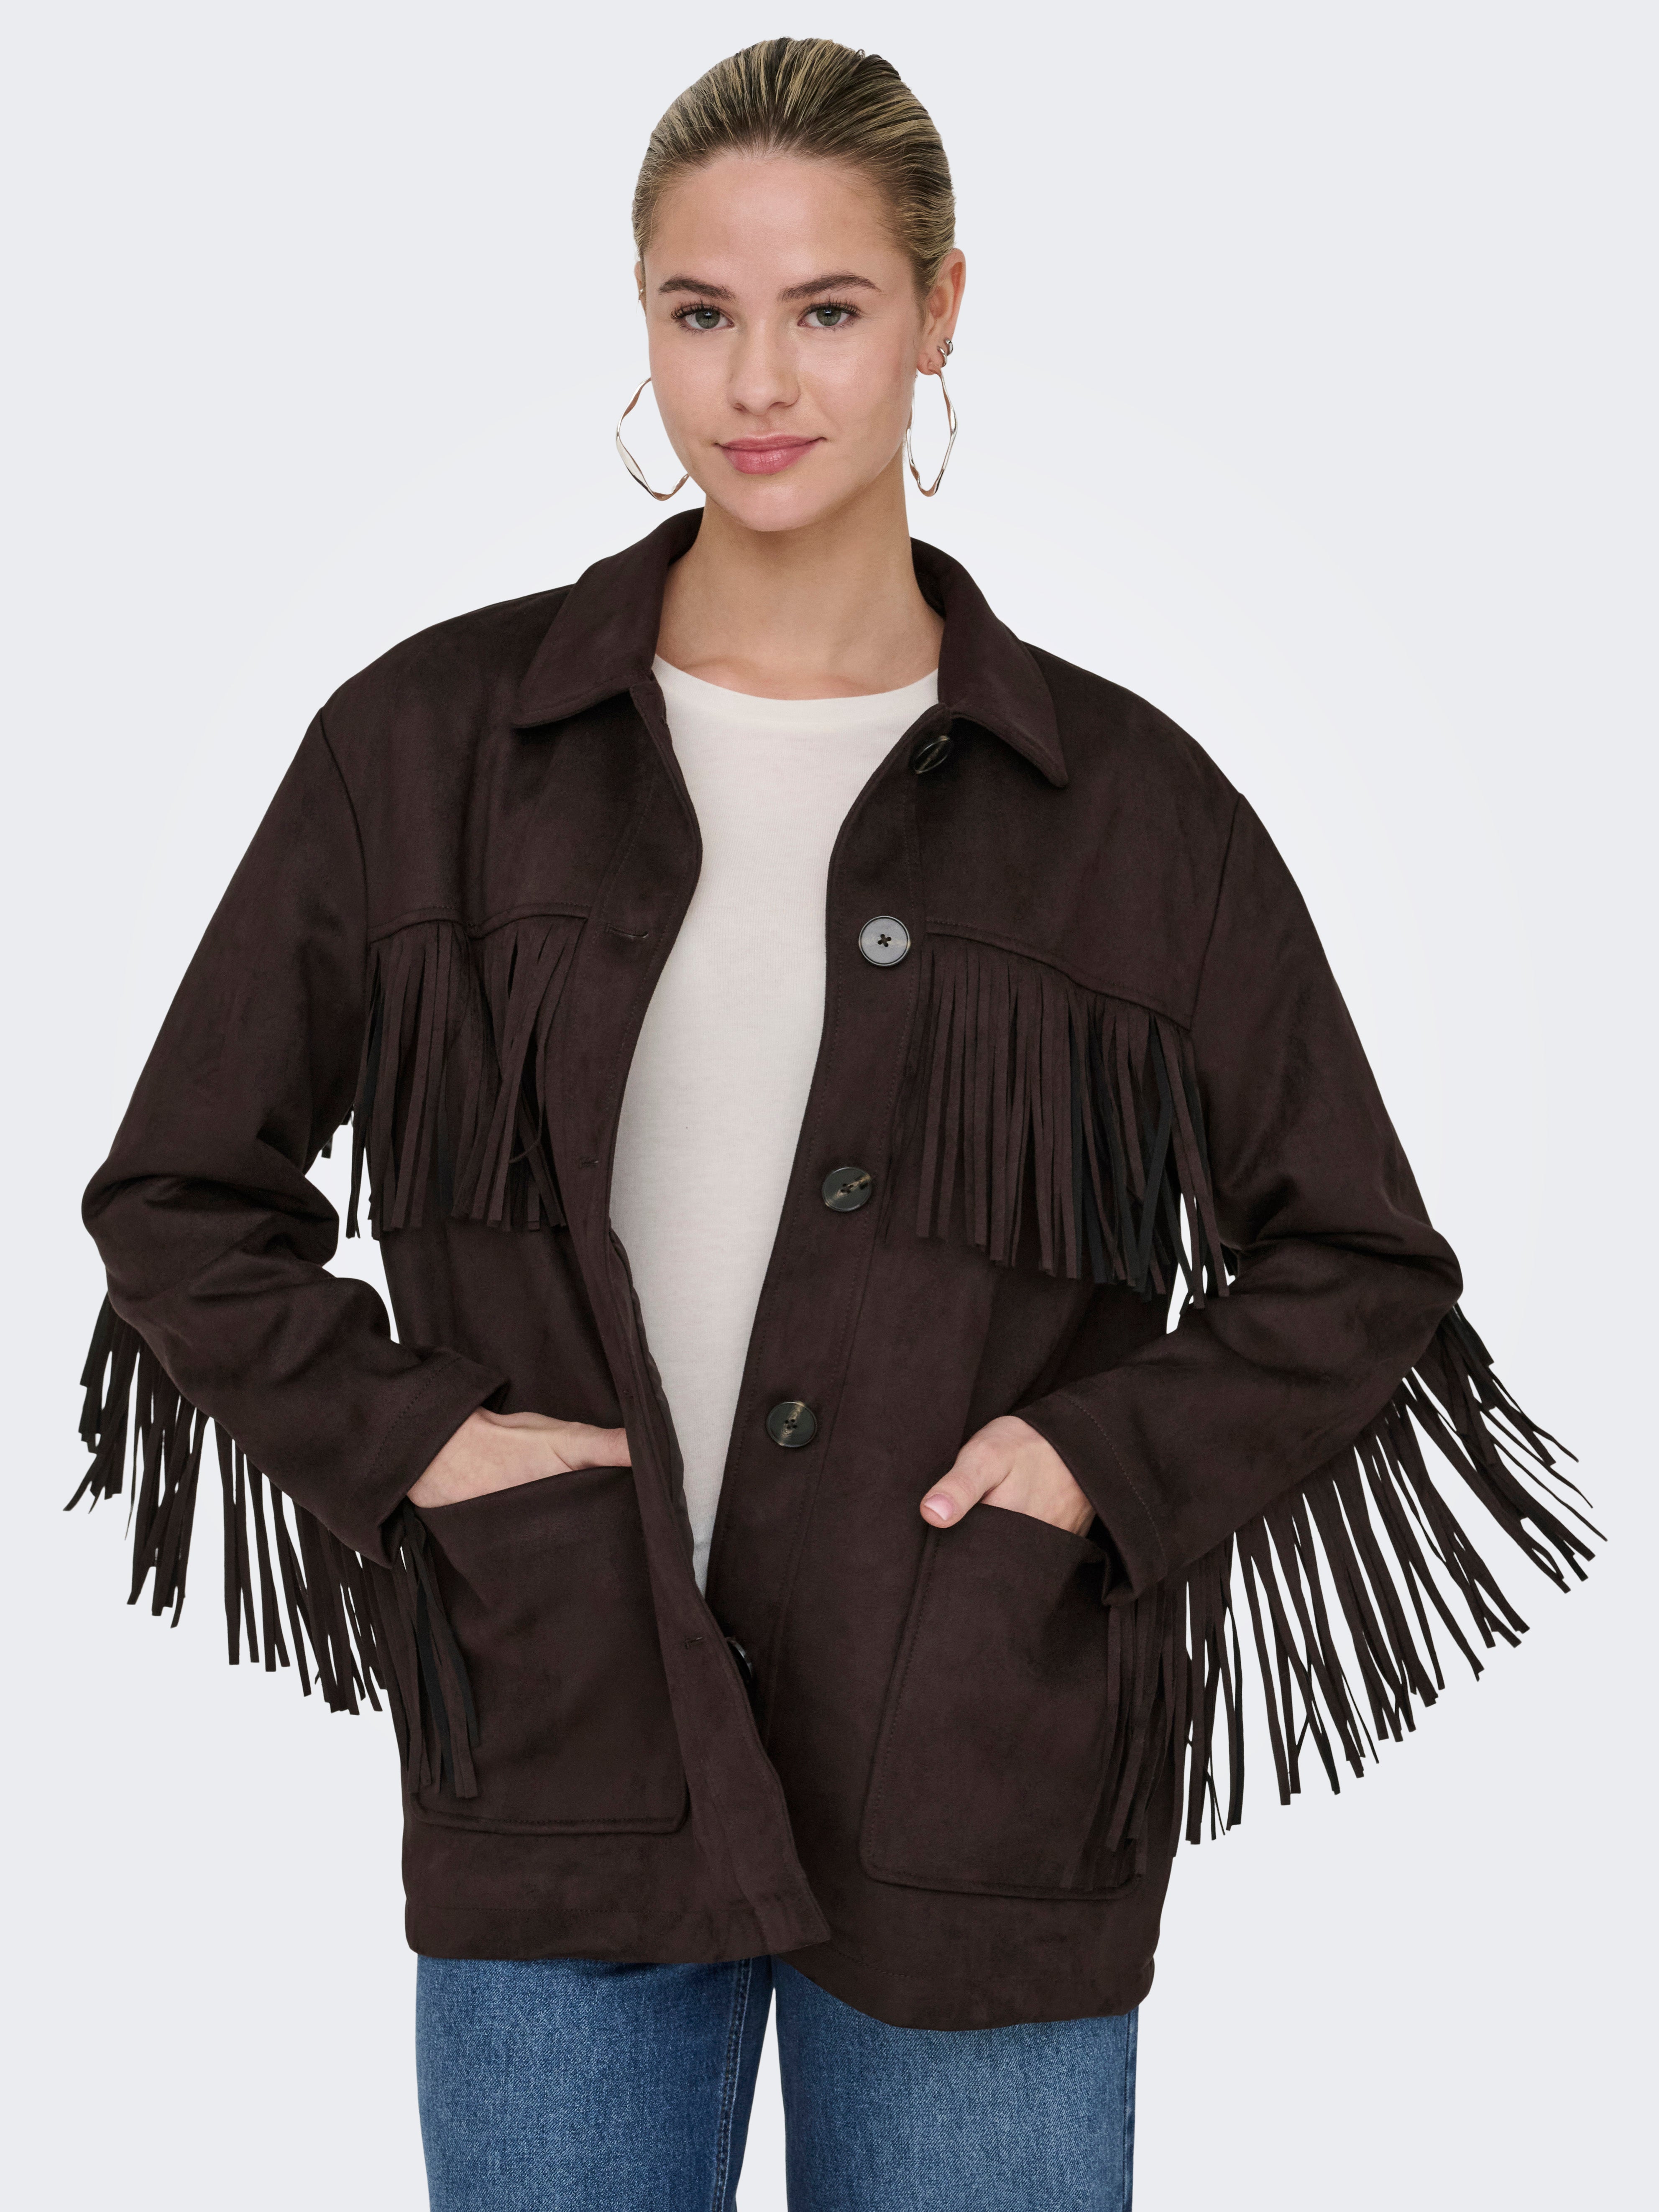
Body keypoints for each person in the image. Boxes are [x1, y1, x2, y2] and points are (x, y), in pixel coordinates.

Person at [69, 36, 1590, 2212]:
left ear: (941, 312)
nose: (760, 381)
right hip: (563, 1754)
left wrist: (1096, 1462)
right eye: (703, 311)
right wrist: (416, 1439)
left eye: (830, 309)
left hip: (977, 1774)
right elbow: (179, 1193)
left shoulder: (1128, 815)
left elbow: (1355, 1261)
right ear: (642, 319)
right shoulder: (427, 754)